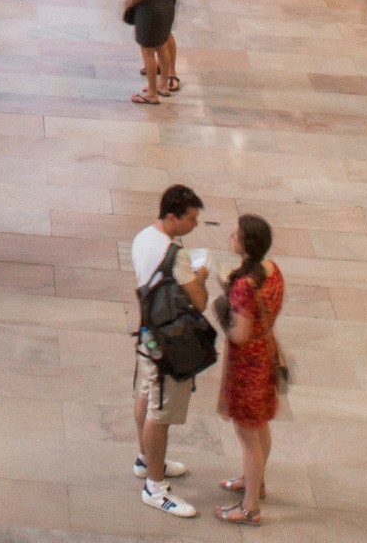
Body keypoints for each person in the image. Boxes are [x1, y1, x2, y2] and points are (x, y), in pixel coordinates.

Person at [131, 183, 211, 517]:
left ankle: (146, 459)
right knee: (160, 411)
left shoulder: (142, 238)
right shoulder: (176, 256)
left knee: (146, 394)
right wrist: (200, 275)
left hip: (149, 332)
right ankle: (155, 487)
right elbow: (200, 301)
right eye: (190, 219)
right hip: (171, 341)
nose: (194, 225)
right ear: (171, 217)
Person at [214, 214, 284, 523]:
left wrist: (222, 313)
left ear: (246, 245)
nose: (230, 236)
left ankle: (250, 507)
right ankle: (257, 480)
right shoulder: (272, 271)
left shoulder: (244, 285)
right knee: (261, 426)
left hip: (247, 368)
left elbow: (239, 334)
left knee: (248, 436)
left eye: (235, 235)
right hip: (267, 357)